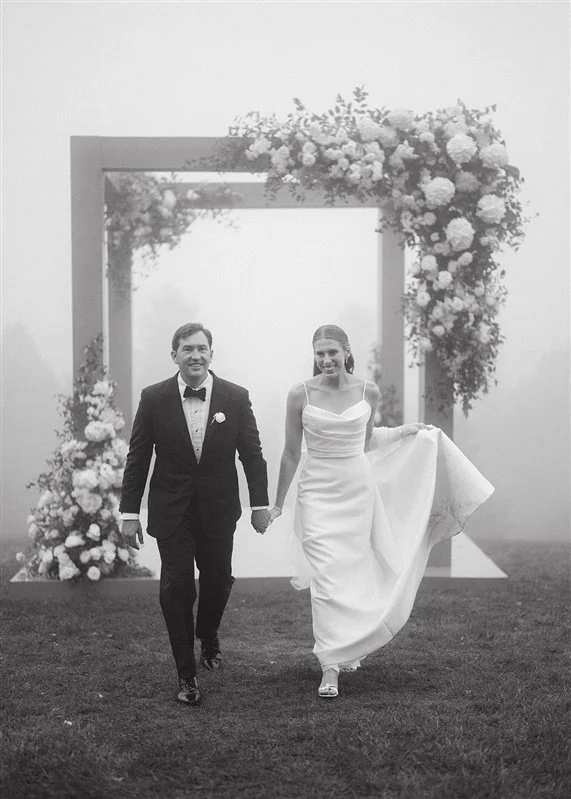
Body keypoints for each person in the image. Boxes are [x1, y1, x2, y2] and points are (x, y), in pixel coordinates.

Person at [268, 324, 493, 698]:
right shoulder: (299, 394)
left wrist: (408, 432)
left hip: (357, 491)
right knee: (325, 576)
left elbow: (369, 440)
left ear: (346, 352)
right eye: (319, 353)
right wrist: (277, 502)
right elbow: (291, 452)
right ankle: (330, 665)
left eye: (332, 352)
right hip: (317, 493)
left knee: (352, 571)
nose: (326, 360)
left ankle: (348, 645)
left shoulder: (367, 390)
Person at [120, 322, 270, 706]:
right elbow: (139, 457)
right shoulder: (154, 398)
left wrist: (259, 505)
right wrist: (129, 512)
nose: (195, 356)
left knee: (219, 579)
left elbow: (252, 454)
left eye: (202, 349)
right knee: (177, 588)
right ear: (174, 356)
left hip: (219, 509)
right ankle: (186, 676)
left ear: (211, 354)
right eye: (187, 349)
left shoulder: (235, 397)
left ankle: (209, 633)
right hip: (172, 511)